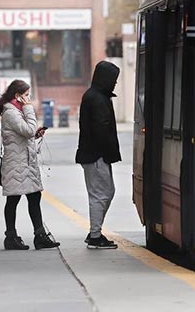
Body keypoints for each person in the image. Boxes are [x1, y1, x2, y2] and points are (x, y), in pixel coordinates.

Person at [0, 79, 60, 250]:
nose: (29, 98)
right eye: (26, 95)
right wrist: (29, 109)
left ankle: (39, 236)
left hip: (24, 162)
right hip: (16, 164)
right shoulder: (11, 112)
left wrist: (35, 135)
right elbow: (27, 130)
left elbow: (26, 134)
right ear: (17, 96)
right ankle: (11, 237)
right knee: (13, 199)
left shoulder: (16, 111)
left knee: (34, 197)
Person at [76, 61, 121, 249]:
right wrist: (109, 152)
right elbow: (102, 129)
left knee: (106, 192)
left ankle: (95, 231)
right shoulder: (97, 99)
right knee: (100, 195)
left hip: (95, 154)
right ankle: (95, 235)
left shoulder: (95, 95)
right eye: (113, 80)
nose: (115, 84)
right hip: (96, 155)